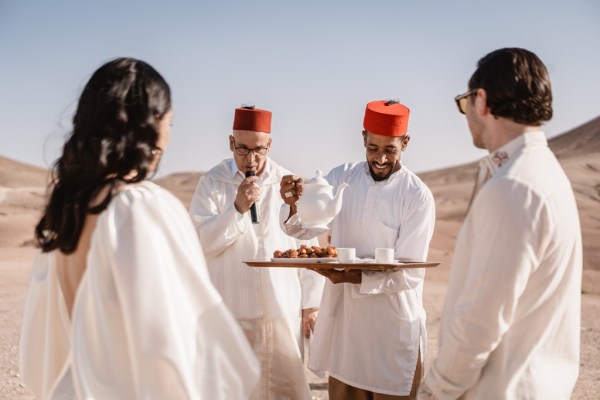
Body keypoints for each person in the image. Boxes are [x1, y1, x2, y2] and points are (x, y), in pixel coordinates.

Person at [19, 58, 259, 399]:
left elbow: (43, 348)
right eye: (171, 123)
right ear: (153, 124)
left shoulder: (67, 210)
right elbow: (175, 348)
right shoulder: (137, 207)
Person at [418, 48, 583, 399]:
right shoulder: (542, 172)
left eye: (465, 104)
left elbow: (480, 319)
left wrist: (436, 390)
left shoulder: (514, 187)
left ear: (482, 100)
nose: (466, 117)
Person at [279, 99, 436, 399]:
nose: (380, 158)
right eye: (373, 148)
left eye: (390, 149)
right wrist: (293, 204)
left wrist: (353, 277)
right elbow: (303, 228)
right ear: (363, 138)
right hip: (346, 332)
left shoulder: (417, 196)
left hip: (392, 332)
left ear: (406, 142)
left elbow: (411, 274)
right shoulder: (342, 177)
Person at [188, 105, 325, 400]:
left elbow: (306, 244)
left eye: (259, 150)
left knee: (283, 387)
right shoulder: (212, 182)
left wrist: (311, 304)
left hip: (280, 308)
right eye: (243, 149)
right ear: (230, 143)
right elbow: (198, 242)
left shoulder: (287, 181)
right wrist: (236, 209)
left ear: (270, 145)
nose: (251, 158)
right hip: (230, 308)